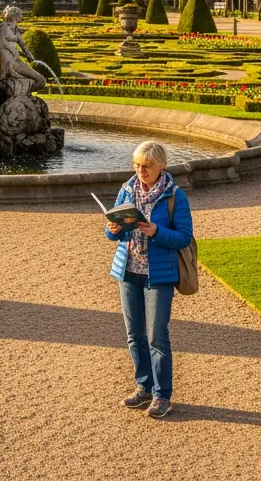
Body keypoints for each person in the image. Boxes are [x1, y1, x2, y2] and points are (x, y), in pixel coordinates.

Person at [104, 140, 193, 418]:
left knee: (157, 337)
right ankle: (144, 387)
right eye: (137, 165)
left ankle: (162, 395)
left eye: (146, 166)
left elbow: (184, 237)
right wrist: (112, 229)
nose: (140, 170)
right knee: (134, 336)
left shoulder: (175, 196)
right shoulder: (127, 189)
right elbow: (114, 234)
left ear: (161, 166)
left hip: (159, 275)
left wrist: (156, 231)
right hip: (128, 271)